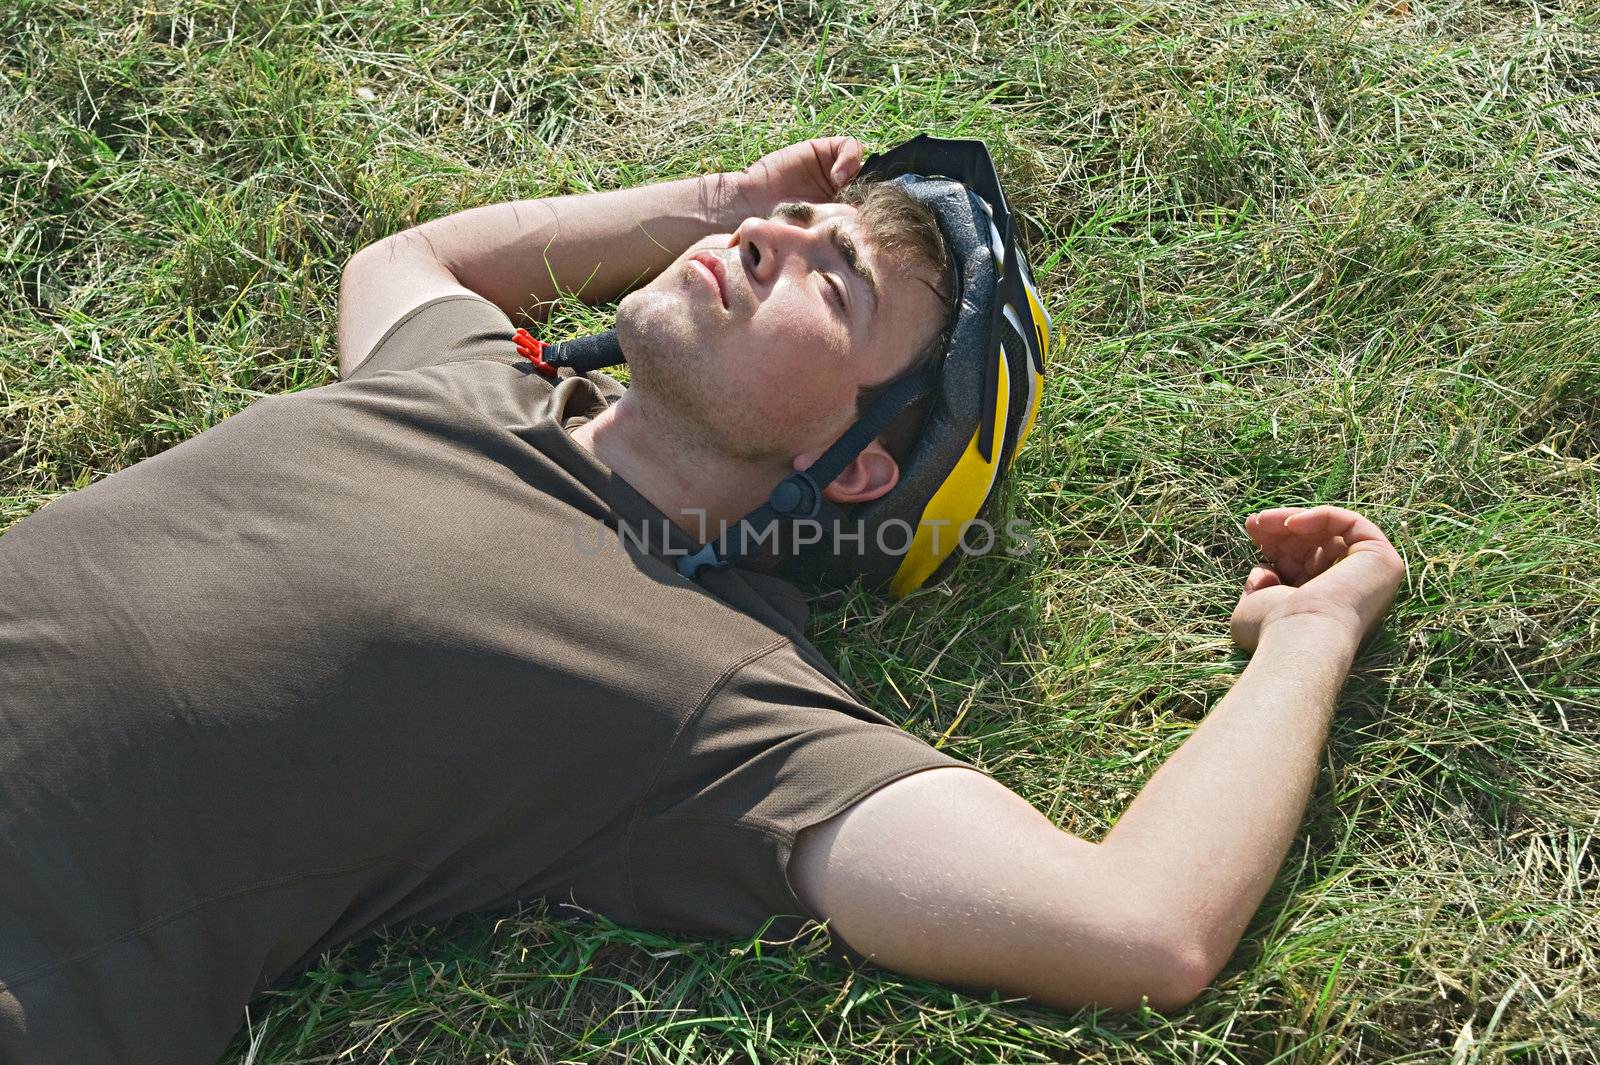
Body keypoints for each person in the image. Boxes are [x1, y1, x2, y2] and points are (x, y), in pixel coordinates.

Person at [0, 134, 1405, 1064]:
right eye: (801, 221)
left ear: (856, 471)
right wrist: (718, 204)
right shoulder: (472, 380)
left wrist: (1311, 632)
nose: (788, 236)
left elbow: (1137, 925)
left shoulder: (706, 678)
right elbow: (406, 264)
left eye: (837, 279)